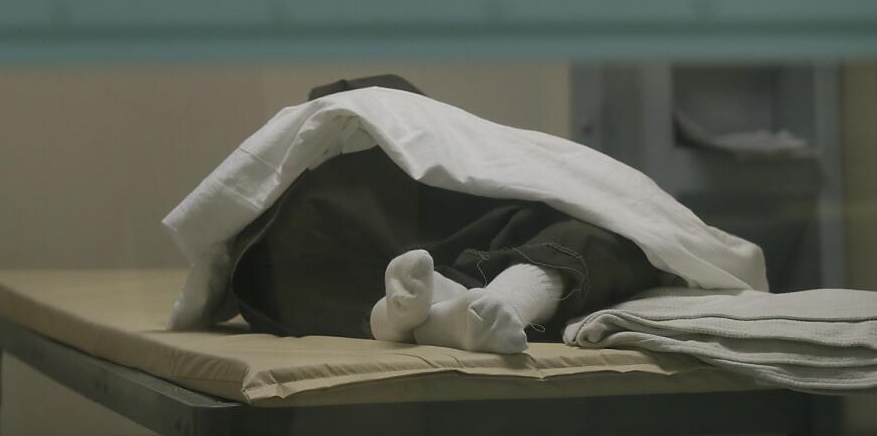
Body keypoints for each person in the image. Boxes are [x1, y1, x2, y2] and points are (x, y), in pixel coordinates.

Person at [218, 75, 662, 353]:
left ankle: (423, 310)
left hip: (343, 270)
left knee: (606, 234)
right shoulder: (356, 172)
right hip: (446, 245)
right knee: (621, 234)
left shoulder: (316, 191)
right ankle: (487, 302)